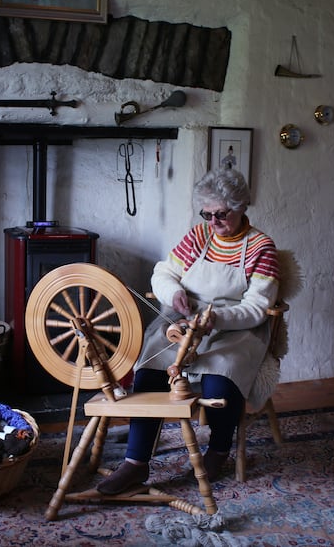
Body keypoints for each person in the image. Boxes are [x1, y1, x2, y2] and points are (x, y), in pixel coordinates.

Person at [96, 167, 280, 495]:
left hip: (236, 330)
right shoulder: (198, 237)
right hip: (183, 324)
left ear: (241, 207)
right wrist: (172, 294)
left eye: (221, 214)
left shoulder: (261, 248)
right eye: (206, 214)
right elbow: (162, 273)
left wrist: (216, 319)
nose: (213, 222)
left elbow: (255, 309)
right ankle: (135, 463)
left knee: (220, 375)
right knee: (149, 368)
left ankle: (218, 450)